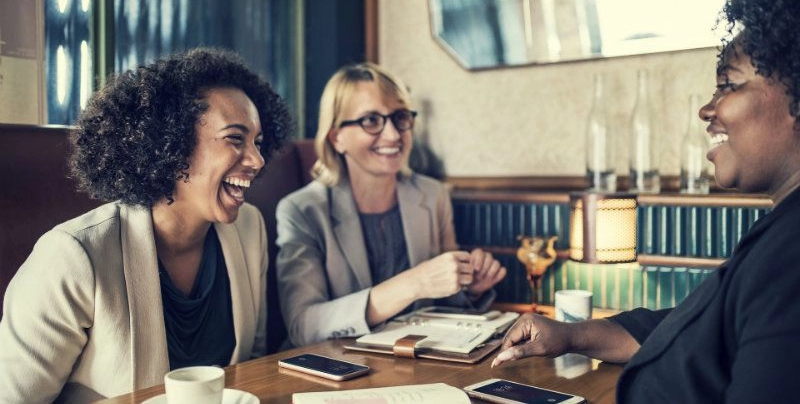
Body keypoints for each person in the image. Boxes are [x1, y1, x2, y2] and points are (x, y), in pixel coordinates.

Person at [491, 0, 800, 403]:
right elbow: (697, 329)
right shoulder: (782, 233)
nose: (707, 109)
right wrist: (571, 334)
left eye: (728, 85)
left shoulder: (791, 258)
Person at [0, 48, 292, 402]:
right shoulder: (72, 256)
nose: (258, 160)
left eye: (258, 143)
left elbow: (249, 368)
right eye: (235, 138)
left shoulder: (249, 229)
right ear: (171, 144)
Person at [275, 62, 507, 347]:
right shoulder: (302, 211)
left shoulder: (433, 196)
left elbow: (445, 304)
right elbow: (303, 326)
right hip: (338, 368)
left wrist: (470, 287)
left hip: (419, 359)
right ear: (337, 138)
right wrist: (414, 283)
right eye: (371, 120)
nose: (394, 135)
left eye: (400, 117)